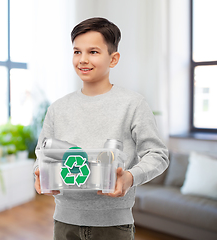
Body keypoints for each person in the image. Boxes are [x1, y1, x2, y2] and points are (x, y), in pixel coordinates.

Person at [34, 17, 169, 240]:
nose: (83, 59)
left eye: (93, 52)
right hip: (64, 222)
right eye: (77, 52)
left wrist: (129, 177)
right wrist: (40, 174)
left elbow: (158, 155)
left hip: (114, 225)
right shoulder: (57, 108)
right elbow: (41, 156)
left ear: (113, 59)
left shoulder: (133, 104)